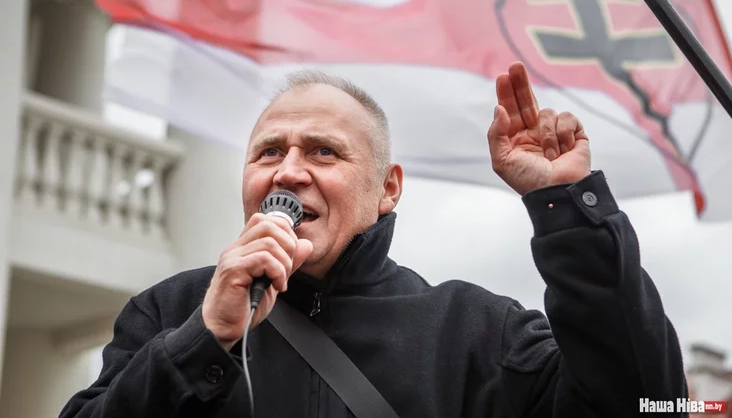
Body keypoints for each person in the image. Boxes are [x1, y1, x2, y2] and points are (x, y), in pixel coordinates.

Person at [59, 62, 687, 417]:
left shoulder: (474, 331)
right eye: (269, 152)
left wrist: (568, 210)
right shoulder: (167, 313)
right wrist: (203, 339)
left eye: (323, 152)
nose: (288, 171)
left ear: (388, 188)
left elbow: (646, 404)